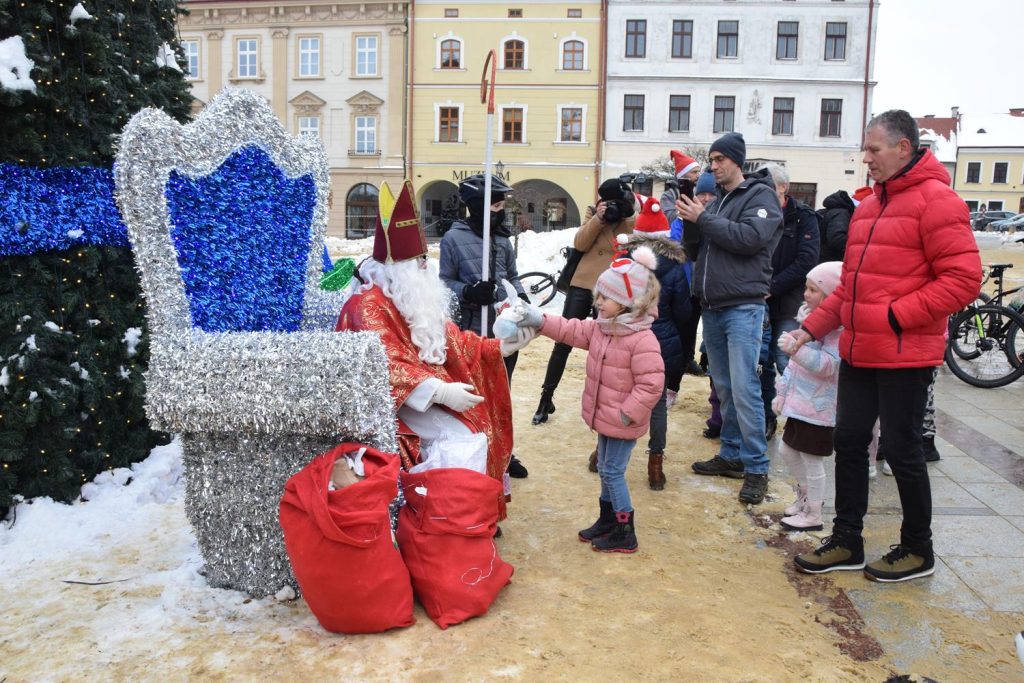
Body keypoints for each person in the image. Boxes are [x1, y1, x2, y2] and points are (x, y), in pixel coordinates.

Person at [790, 110, 982, 582]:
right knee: (850, 443)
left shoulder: (938, 201)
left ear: (903, 148)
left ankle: (919, 548)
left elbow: (962, 280)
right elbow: (850, 288)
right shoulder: (871, 207)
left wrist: (895, 316)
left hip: (904, 354)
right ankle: (847, 539)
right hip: (860, 352)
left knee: (901, 450)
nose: (866, 158)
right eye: (865, 149)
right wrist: (810, 329)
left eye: (874, 149)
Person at [336, 180, 521, 522]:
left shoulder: (408, 296)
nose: (426, 267)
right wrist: (439, 391)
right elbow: (382, 366)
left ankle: (463, 514)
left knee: (474, 428)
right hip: (390, 405)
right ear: (398, 267)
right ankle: (448, 519)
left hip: (418, 395)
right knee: (462, 437)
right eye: (419, 260)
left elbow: (453, 339)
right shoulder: (367, 305)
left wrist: (500, 346)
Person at [512, 243, 664, 552]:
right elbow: (569, 329)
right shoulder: (603, 328)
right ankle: (607, 520)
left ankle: (625, 529)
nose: (597, 302)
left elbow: (651, 384)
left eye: (605, 298)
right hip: (608, 418)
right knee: (607, 469)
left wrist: (627, 413)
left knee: (612, 471)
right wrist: (538, 319)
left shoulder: (641, 339)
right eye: (598, 296)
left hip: (622, 418)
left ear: (625, 302)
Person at [675, 132, 783, 505]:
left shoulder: (761, 196)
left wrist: (704, 218)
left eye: (720, 159)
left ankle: (756, 468)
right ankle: (732, 453)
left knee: (744, 387)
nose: (714, 166)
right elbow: (695, 249)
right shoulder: (717, 201)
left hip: (743, 306)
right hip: (713, 305)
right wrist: (691, 219)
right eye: (711, 160)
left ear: (737, 160)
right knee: (723, 386)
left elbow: (749, 238)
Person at [440, 173, 529, 478]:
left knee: (502, 390)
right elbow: (444, 283)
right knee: (476, 393)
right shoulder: (454, 238)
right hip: (471, 332)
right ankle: (478, 450)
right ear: (479, 205)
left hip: (504, 329)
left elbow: (513, 275)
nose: (502, 206)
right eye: (497, 201)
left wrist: (521, 295)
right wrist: (467, 292)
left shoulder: (502, 239)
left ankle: (504, 451)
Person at [532, 178, 637, 426]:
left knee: (611, 345)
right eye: (607, 202)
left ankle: (609, 403)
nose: (611, 206)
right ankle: (545, 398)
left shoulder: (631, 216)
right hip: (583, 283)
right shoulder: (594, 213)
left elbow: (632, 242)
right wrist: (598, 219)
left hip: (612, 287)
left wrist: (627, 214)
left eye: (615, 202)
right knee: (563, 340)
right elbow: (580, 243)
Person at [626, 196, 693, 490]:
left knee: (621, 397)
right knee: (656, 406)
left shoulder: (625, 264)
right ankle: (656, 464)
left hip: (627, 340)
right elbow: (684, 314)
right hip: (662, 343)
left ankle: (604, 452)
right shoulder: (676, 268)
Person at [772, 261, 843, 531]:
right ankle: (804, 497)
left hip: (819, 407)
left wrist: (796, 350)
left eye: (813, 289)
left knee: (813, 462)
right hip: (799, 404)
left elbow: (829, 366)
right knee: (786, 449)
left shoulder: (836, 330)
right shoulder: (806, 321)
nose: (806, 294)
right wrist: (781, 394)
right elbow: (792, 369)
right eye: (806, 288)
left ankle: (814, 513)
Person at [817, 185, 871, 263]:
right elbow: (837, 239)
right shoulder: (842, 213)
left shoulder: (834, 210)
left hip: (823, 260)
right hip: (831, 261)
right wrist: (857, 248)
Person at [661, 150, 702, 225]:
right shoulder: (668, 195)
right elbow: (668, 220)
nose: (698, 175)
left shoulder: (700, 191)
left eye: (698, 172)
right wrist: (682, 207)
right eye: (694, 172)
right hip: (678, 235)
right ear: (682, 174)